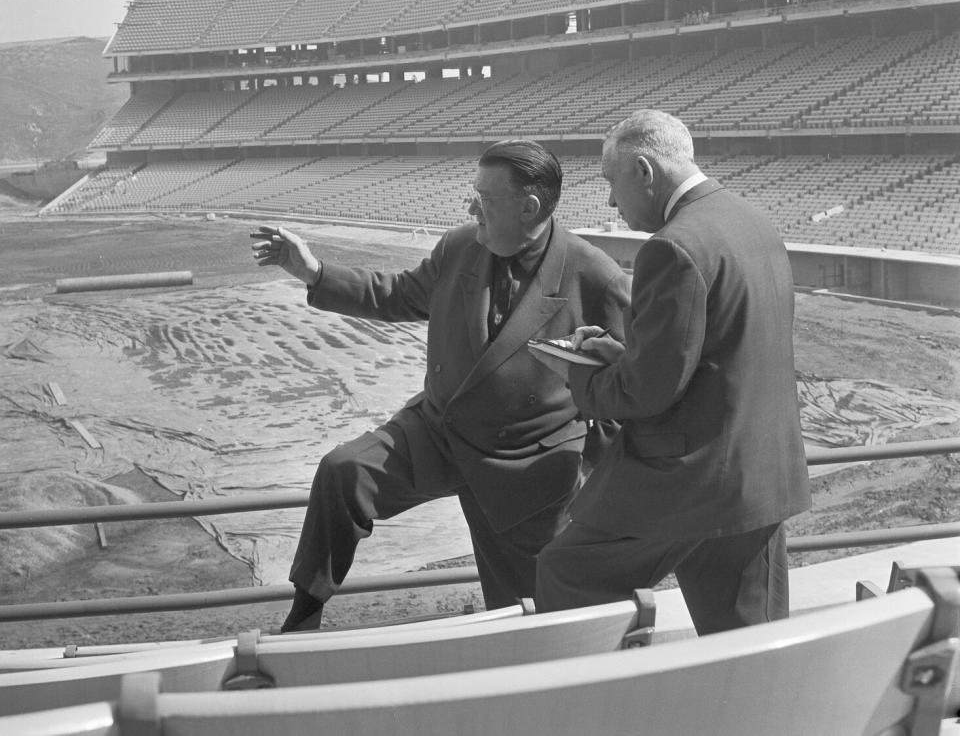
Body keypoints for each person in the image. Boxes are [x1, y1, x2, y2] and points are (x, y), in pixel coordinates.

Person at [251, 139, 630, 631]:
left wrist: (586, 462)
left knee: (524, 616)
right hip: (438, 431)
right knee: (343, 471)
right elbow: (397, 296)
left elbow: (628, 386)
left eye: (484, 198)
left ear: (529, 206)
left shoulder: (593, 274)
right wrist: (313, 272)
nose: (470, 206)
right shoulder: (458, 247)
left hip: (524, 463)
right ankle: (303, 617)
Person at [530, 110, 811, 635]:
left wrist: (581, 377)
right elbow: (717, 352)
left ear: (643, 170)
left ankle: (595, 709)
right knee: (747, 639)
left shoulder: (673, 247)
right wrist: (623, 353)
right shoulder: (750, 220)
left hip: (691, 478)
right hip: (759, 473)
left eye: (611, 183)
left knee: (567, 574)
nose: (612, 201)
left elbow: (648, 391)